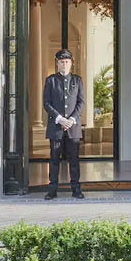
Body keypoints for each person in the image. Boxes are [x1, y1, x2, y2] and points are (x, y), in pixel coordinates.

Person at [42, 48, 86, 199]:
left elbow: (81, 102)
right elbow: (46, 103)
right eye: (61, 62)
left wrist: (72, 119)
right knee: (54, 160)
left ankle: (76, 189)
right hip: (56, 127)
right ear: (57, 63)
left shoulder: (78, 80)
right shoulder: (51, 80)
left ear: (71, 63)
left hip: (73, 128)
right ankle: (52, 190)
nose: (64, 65)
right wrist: (60, 119)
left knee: (74, 160)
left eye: (67, 62)